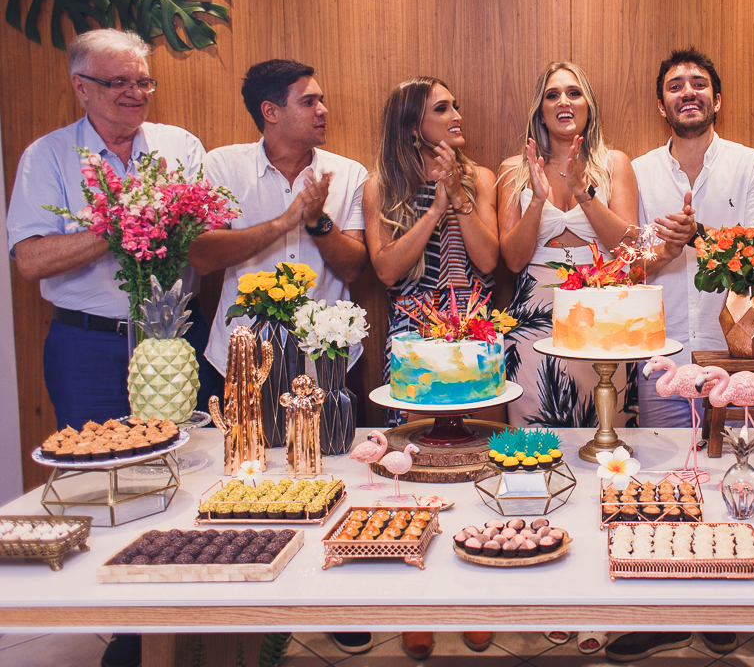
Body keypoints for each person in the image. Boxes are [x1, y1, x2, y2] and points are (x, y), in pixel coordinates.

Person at [6, 29, 209, 667]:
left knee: (179, 482)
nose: (135, 93)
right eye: (119, 82)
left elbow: (205, 237)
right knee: (100, 490)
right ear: (81, 87)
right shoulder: (50, 156)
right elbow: (30, 259)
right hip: (87, 346)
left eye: (143, 81)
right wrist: (117, 223)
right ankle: (122, 626)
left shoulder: (179, 147)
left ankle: (181, 624)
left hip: (172, 342)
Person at [187, 59, 370, 658]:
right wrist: (284, 219)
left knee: (336, 482)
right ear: (270, 111)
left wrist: (315, 220)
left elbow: (354, 269)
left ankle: (334, 599)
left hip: (327, 360)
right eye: (309, 101)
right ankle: (256, 609)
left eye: (322, 100)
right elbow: (204, 254)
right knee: (251, 482)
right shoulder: (221, 166)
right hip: (242, 357)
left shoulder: (346, 174)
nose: (323, 111)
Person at [605, 48, 754, 664]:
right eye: (675, 86)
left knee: (730, 474)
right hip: (659, 353)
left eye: (699, 85)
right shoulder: (641, 171)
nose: (688, 93)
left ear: (716, 99)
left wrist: (703, 243)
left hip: (731, 353)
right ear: (661, 105)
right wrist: (662, 246)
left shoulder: (749, 166)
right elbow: (628, 262)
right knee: (663, 482)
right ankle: (660, 612)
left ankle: (725, 607)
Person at [362, 76, 498, 660]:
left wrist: (459, 198)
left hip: (473, 338)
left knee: (473, 476)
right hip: (413, 341)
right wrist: (433, 207)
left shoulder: (483, 178)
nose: (457, 112)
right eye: (443, 107)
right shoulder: (381, 186)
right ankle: (418, 610)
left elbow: (490, 260)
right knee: (415, 476)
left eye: (456, 102)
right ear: (414, 124)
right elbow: (388, 269)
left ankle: (475, 598)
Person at [498, 61, 640, 429]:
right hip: (533, 315)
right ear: (540, 113)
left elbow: (628, 252)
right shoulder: (514, 169)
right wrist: (535, 200)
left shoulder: (614, 164)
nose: (564, 101)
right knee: (536, 429)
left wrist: (582, 191)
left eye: (574, 93)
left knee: (604, 427)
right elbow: (513, 261)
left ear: (588, 106)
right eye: (553, 95)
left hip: (600, 308)